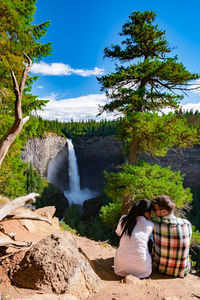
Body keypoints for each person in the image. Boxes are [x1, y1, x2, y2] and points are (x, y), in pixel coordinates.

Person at [152, 195, 192, 278]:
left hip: (159, 268)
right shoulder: (186, 223)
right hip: (181, 272)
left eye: (155, 209)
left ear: (163, 212)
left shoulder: (154, 224)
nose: (154, 212)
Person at [114, 199, 154, 278]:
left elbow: (118, 233)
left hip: (120, 269)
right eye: (151, 212)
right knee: (150, 239)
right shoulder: (149, 225)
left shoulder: (123, 219)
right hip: (143, 270)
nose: (153, 215)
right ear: (146, 213)